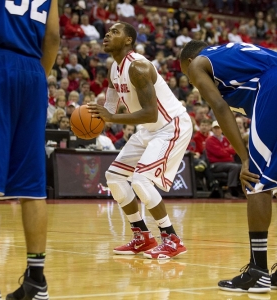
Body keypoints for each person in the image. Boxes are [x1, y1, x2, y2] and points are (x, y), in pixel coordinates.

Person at [88, 22, 192, 259]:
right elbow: (112, 100)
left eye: (115, 32)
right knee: (114, 177)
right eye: (108, 31)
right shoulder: (114, 68)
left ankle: (172, 239)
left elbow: (150, 112)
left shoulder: (139, 67)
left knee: (141, 180)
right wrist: (97, 119)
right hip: (149, 129)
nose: (107, 34)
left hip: (170, 125)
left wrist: (112, 116)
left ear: (128, 41)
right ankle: (142, 237)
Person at [180, 40, 277, 293]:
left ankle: (257, 272)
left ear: (189, 63)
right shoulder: (230, 57)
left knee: (256, 181)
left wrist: (244, 158)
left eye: (186, 76)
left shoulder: (199, 64)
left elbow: (220, 108)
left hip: (273, 86)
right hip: (271, 83)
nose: (192, 82)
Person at [0, 0, 59, 299]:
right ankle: (36, 281)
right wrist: (38, 74)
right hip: (32, 72)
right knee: (32, 186)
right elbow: (52, 38)